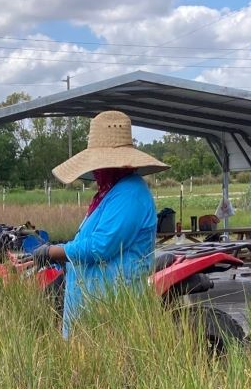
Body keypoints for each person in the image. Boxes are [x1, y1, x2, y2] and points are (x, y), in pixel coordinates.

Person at [31, 110, 169, 336]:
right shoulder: (110, 193)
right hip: (94, 306)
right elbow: (87, 241)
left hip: (111, 308)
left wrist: (54, 251)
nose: (95, 172)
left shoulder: (129, 194)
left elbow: (100, 246)